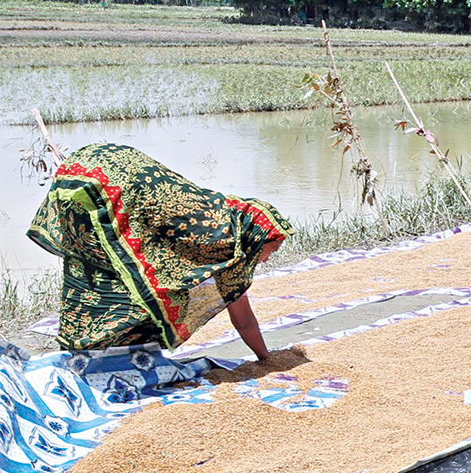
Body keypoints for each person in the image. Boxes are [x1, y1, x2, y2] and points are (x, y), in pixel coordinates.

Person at [27, 143, 293, 359]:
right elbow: (243, 318)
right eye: (270, 249)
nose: (267, 258)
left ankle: (84, 349)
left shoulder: (222, 217)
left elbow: (240, 312)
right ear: (255, 238)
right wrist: (266, 359)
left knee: (99, 267)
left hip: (82, 169)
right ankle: (101, 352)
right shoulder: (227, 245)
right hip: (105, 187)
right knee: (151, 288)